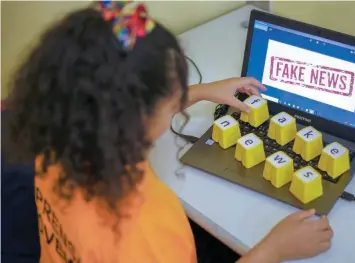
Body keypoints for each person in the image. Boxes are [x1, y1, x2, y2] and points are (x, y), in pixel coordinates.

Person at [7, 1, 333, 263]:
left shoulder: (49, 136)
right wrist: (272, 250)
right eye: (172, 94)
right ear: (137, 119)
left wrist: (202, 91)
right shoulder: (149, 229)